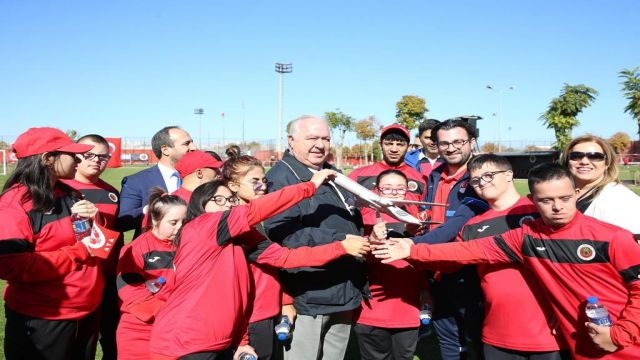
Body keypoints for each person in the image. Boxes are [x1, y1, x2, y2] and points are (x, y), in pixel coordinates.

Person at [374, 163, 640, 360]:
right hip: (581, 346)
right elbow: (467, 251)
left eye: (565, 198)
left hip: (622, 344)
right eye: (547, 200)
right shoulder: (525, 237)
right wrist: (411, 249)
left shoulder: (613, 237)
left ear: (577, 194)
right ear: (534, 200)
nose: (557, 207)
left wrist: (619, 335)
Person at [149, 171, 369, 359]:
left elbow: (286, 258)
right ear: (200, 205)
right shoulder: (203, 226)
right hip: (184, 341)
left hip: (220, 341)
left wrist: (340, 247)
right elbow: (256, 210)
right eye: (219, 199)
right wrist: (309, 186)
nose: (228, 204)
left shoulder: (243, 238)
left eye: (231, 199)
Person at [222, 154, 370, 360]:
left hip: (269, 307)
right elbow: (283, 258)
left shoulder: (260, 219)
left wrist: (285, 300)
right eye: (254, 181)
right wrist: (340, 247)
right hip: (248, 312)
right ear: (233, 186)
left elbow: (276, 267)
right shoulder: (234, 223)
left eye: (264, 180)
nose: (262, 187)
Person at [264, 115, 368, 360]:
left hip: (343, 288)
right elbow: (283, 232)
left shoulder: (332, 174)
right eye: (312, 138)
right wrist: (342, 241)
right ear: (291, 141)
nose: (320, 144)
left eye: (325, 138)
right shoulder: (283, 177)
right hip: (309, 293)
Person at [1, 127, 104, 359]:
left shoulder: (70, 193)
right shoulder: (15, 205)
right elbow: (11, 265)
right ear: (47, 159)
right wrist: (78, 252)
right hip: (44, 317)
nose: (79, 159)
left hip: (86, 310)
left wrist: (93, 219)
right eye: (71, 154)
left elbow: (85, 237)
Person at [456, 154, 564, 359]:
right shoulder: (472, 226)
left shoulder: (543, 212)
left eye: (488, 175)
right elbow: (451, 260)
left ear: (508, 174)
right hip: (497, 333)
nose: (482, 183)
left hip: (548, 333)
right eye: (476, 180)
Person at [414, 119, 487, 360]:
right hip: (435, 270)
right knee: (448, 339)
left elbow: (461, 222)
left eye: (458, 141)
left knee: (479, 339)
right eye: (444, 143)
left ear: (472, 142)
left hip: (469, 273)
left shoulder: (481, 176)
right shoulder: (435, 174)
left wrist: (413, 247)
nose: (451, 148)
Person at [60, 134, 122, 360]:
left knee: (107, 338)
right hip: (70, 280)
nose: (97, 161)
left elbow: (115, 237)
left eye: (103, 157)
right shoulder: (60, 188)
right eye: (89, 155)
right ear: (76, 155)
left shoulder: (111, 193)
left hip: (106, 278)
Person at [355, 169, 427, 360]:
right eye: (387, 188)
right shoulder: (363, 217)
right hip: (372, 309)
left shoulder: (415, 218)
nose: (394, 193)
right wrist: (371, 239)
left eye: (400, 188)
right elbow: (354, 259)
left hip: (407, 309)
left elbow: (424, 261)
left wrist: (417, 235)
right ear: (377, 190)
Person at [116, 190, 187, 360]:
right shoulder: (135, 249)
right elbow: (131, 292)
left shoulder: (188, 245)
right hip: (141, 329)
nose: (180, 227)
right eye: (173, 222)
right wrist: (169, 311)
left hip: (178, 328)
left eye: (184, 221)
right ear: (155, 220)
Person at [117, 126, 196, 237]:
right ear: (165, 150)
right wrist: (151, 210)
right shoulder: (135, 181)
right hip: (154, 252)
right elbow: (122, 222)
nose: (193, 147)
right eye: (186, 143)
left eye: (192, 142)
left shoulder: (198, 176)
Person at [560, 135, 640, 240]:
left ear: (607, 163)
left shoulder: (620, 198)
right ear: (567, 162)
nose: (584, 161)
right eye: (576, 156)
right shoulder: (556, 194)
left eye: (595, 156)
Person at [349, 123, 427, 201]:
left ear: (408, 147)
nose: (394, 149)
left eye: (400, 145)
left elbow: (426, 210)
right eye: (389, 144)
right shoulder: (358, 176)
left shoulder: (421, 180)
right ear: (381, 145)